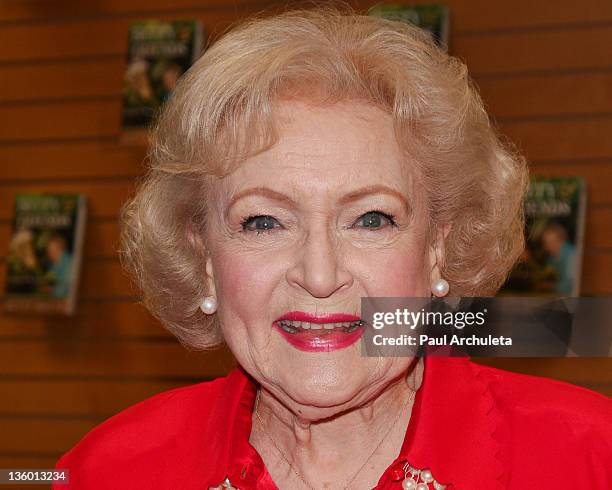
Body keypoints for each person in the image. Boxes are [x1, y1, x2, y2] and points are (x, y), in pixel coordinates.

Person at [53, 5, 611, 489]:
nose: (319, 276)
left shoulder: (591, 458)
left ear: (438, 245)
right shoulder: (102, 473)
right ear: (204, 259)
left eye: (371, 218)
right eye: (264, 222)